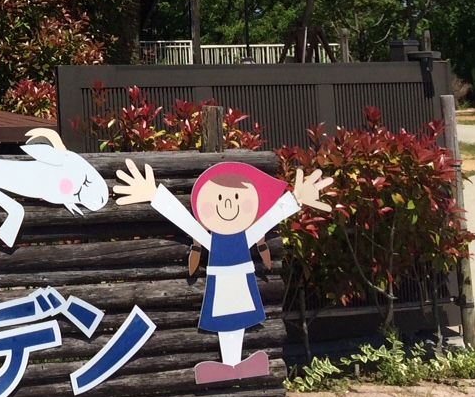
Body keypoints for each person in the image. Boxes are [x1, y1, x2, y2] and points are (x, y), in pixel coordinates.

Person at [113, 159, 333, 383]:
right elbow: (186, 222)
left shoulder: (244, 236)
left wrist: (295, 199)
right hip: (221, 284)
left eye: (237, 198)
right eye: (219, 198)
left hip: (240, 282)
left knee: (237, 320)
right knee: (226, 321)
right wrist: (155, 195)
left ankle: (234, 365)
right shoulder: (213, 240)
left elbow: (268, 219)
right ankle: (230, 365)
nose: (228, 205)